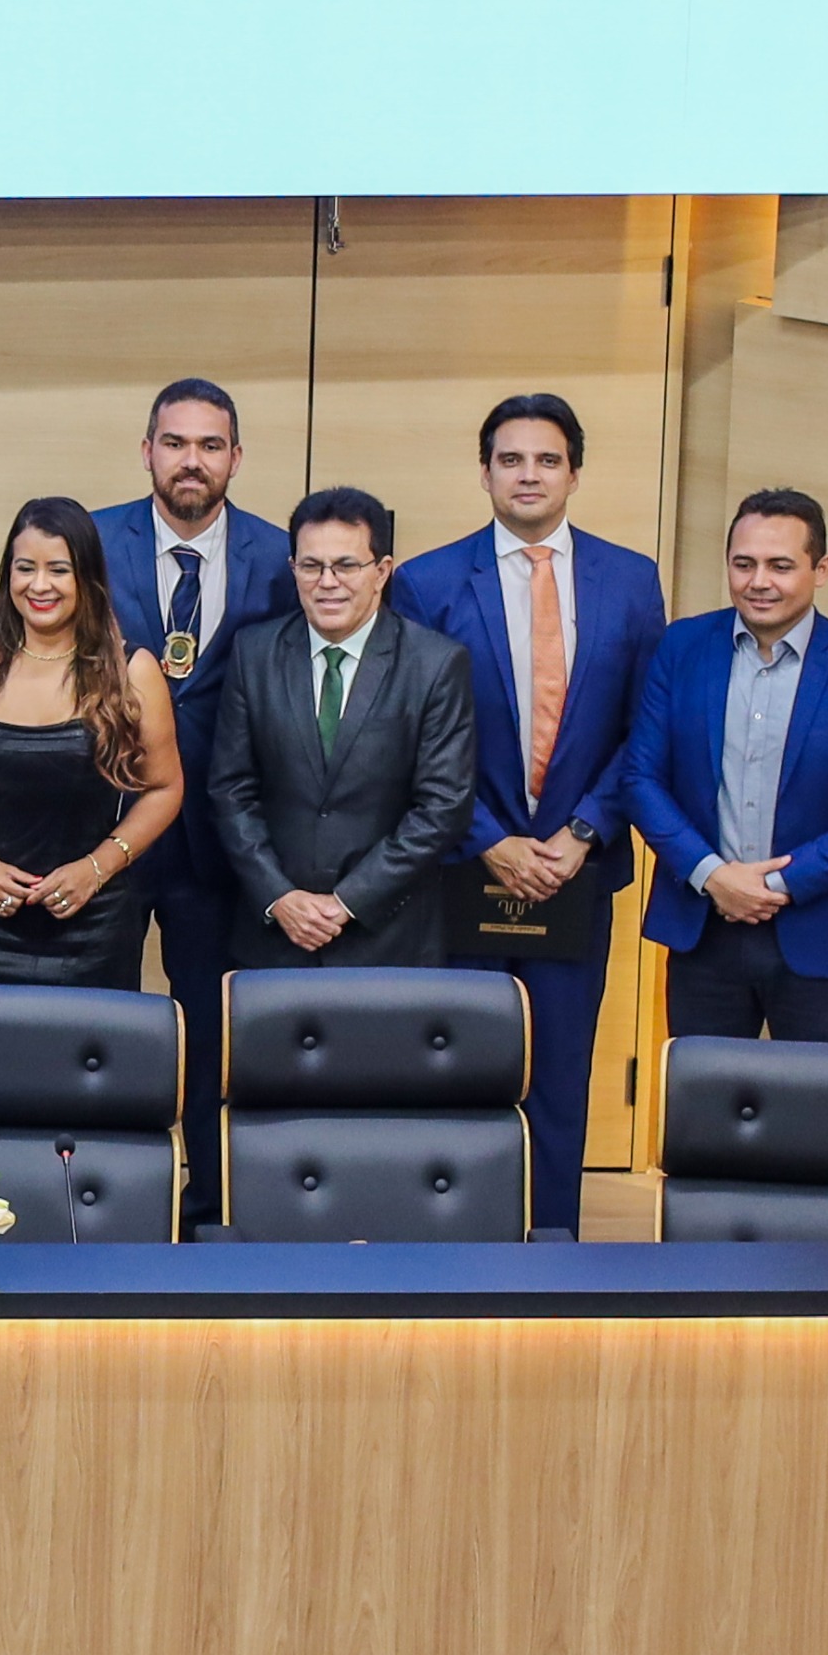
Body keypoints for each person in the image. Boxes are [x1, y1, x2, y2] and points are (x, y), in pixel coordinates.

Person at [393, 395, 667, 1234]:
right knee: (460, 1069)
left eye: (547, 460)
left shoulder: (630, 578)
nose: (528, 475)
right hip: (461, 868)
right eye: (510, 459)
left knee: (558, 1073)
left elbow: (646, 726)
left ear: (574, 473)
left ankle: (553, 1244)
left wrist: (582, 831)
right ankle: (457, 1242)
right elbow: (408, 732)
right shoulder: (428, 581)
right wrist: (489, 839)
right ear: (484, 472)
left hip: (574, 871)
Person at [94, 380, 293, 1215]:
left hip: (225, 841)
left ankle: (210, 1208)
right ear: (146, 451)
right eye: (174, 442)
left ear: (236, 459)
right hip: (104, 827)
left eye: (211, 445)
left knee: (214, 1034)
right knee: (98, 1026)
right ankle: (101, 1200)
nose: (191, 461)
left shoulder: (282, 557)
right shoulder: (91, 542)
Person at [622, 490, 828, 1045]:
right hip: (702, 928)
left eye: (781, 566)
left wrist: (776, 884)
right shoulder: (682, 647)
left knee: (817, 1119)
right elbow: (640, 779)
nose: (759, 581)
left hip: (817, 936)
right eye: (744, 564)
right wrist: (713, 875)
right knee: (701, 1113)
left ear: (820, 569)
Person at [0, 497, 185, 989]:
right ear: (6, 573)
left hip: (97, 919)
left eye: (58, 569)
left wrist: (97, 868)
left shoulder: (132, 670)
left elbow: (164, 788)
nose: (39, 585)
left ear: (87, 576)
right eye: (25, 568)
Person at [206, 490, 478, 975]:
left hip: (388, 940)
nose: (327, 583)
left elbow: (442, 808)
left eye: (346, 565)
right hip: (274, 939)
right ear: (293, 570)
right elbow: (230, 791)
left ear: (382, 571)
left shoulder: (435, 664)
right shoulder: (254, 653)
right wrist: (280, 896)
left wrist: (347, 902)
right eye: (311, 566)